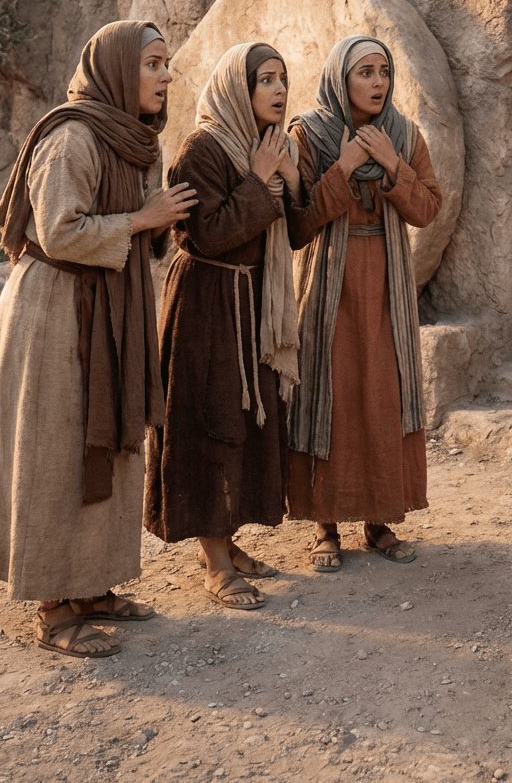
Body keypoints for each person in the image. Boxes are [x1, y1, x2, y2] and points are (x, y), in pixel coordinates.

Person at [0, 21, 197, 657]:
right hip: (56, 309)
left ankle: (92, 586)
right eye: (153, 63)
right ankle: (53, 608)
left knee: (107, 439)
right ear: (119, 69)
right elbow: (60, 230)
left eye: (166, 64)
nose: (166, 76)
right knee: (56, 447)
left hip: (110, 305)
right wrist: (142, 219)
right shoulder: (72, 135)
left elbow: (144, 230)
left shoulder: (133, 142)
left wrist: (157, 221)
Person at [144, 43, 301, 609]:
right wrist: (260, 182)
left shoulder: (269, 146)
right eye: (266, 80)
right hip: (206, 303)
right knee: (209, 421)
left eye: (283, 79)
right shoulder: (200, 149)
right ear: (240, 89)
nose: (279, 90)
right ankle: (214, 562)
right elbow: (205, 235)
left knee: (245, 418)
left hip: (253, 303)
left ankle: (228, 543)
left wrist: (288, 177)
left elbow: (296, 231)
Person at [286, 35, 442, 571]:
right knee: (330, 390)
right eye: (365, 73)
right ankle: (323, 526)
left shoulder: (402, 134)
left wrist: (393, 167)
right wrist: (345, 166)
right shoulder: (308, 135)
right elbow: (298, 223)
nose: (378, 83)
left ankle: (379, 520)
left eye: (384, 72)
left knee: (382, 391)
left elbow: (427, 209)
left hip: (388, 284)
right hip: (328, 283)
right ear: (340, 79)